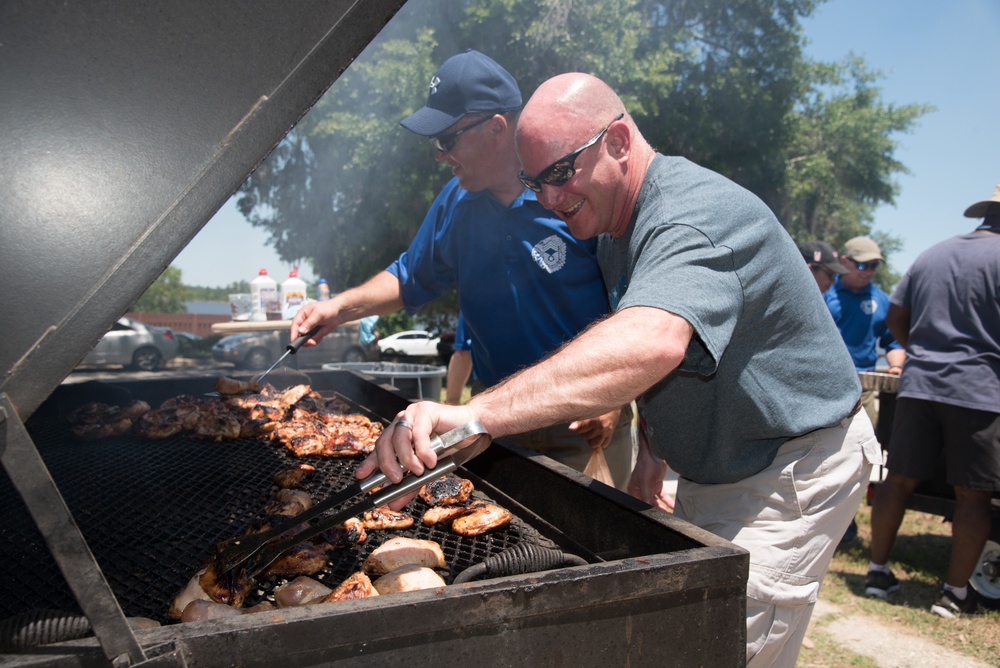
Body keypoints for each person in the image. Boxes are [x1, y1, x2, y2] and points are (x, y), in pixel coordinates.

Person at [361, 72, 880, 668]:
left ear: (618, 142)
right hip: (717, 468)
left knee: (713, 645)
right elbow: (687, 350)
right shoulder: (613, 227)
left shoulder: (693, 215)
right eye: (535, 182)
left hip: (790, 469)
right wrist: (656, 450)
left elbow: (654, 341)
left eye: (559, 174)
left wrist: (475, 412)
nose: (549, 199)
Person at [291, 51, 635, 490]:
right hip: (496, 426)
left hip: (583, 427)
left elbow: (633, 303)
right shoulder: (456, 201)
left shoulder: (572, 191)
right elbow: (410, 274)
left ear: (496, 128)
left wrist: (614, 395)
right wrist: (339, 307)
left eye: (447, 139)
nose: (438, 155)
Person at [865, 183, 1000, 618]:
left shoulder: (933, 254)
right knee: (973, 495)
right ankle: (954, 593)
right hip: (979, 389)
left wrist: (923, 353)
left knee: (898, 480)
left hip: (920, 385)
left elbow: (896, 317)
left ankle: (876, 572)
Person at [824, 236, 906, 425]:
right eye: (862, 265)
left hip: (864, 387)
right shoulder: (825, 292)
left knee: (866, 441)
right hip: (825, 383)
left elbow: (893, 342)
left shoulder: (882, 300)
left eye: (873, 265)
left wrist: (895, 367)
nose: (868, 272)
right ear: (844, 261)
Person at [444, 313, 472, 405]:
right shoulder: (471, 300)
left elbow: (462, 354)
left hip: (487, 390)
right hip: (486, 392)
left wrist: (451, 403)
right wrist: (451, 403)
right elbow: (462, 354)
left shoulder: (473, 299)